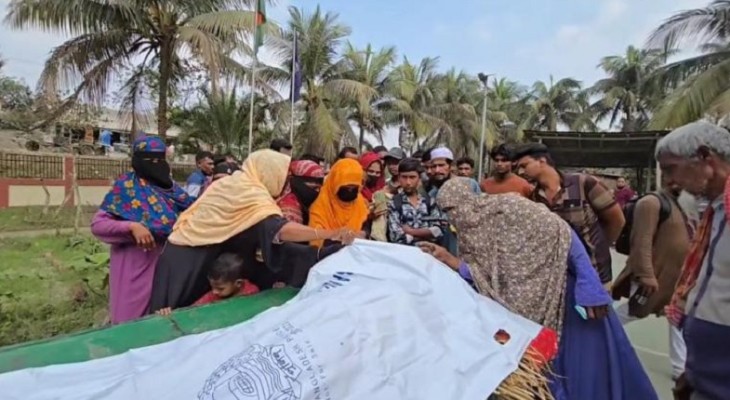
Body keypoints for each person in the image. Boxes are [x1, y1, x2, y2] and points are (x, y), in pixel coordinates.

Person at [422, 177, 658, 400]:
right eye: (447, 212)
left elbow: (562, 233)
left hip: (563, 298)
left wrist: (589, 283)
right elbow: (487, 274)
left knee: (582, 369)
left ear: (469, 199)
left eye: (454, 208)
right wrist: (449, 259)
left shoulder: (510, 207)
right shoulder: (473, 232)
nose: (454, 216)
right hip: (524, 312)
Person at [148, 150, 355, 312]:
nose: (284, 183)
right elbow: (280, 230)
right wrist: (328, 233)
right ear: (270, 172)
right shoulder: (250, 193)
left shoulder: (234, 182)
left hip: (182, 255)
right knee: (171, 323)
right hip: (190, 264)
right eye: (282, 176)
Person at [654, 121, 730, 400]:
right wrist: (694, 370)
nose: (669, 181)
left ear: (705, 157)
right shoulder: (715, 211)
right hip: (706, 373)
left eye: (672, 168)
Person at [91, 136, 194, 324]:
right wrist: (131, 226)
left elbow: (193, 212)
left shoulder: (172, 190)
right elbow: (98, 225)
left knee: (163, 323)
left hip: (167, 268)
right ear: (137, 161)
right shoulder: (126, 188)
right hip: (134, 269)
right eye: (149, 160)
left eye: (159, 159)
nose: (155, 164)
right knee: (130, 324)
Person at [612, 176, 692, 380]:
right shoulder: (651, 203)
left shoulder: (681, 205)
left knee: (677, 318)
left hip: (674, 279)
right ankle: (596, 329)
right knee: (634, 311)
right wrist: (646, 274)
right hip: (652, 277)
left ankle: (680, 368)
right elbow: (641, 241)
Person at [513, 143, 625, 287]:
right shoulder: (535, 198)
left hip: (595, 270)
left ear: (542, 161)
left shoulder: (583, 183)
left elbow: (617, 220)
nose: (520, 172)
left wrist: (600, 246)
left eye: (524, 166)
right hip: (561, 277)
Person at [156, 253, 260, 316]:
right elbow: (190, 311)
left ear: (238, 283)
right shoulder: (212, 297)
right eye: (212, 287)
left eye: (220, 288)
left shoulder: (252, 293)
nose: (214, 291)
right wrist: (170, 314)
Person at [308, 158, 369, 247]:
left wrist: (363, 234)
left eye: (354, 187)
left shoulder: (360, 202)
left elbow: (366, 225)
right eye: (346, 187)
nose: (350, 190)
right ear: (335, 183)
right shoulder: (320, 206)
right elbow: (315, 239)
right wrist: (339, 238)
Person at [387, 158, 446, 246]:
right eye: (404, 177)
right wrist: (426, 234)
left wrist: (411, 231)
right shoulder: (394, 203)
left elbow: (439, 231)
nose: (408, 182)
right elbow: (396, 237)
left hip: (429, 252)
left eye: (412, 177)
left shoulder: (429, 201)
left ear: (419, 178)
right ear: (399, 177)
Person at [276, 160, 325, 225]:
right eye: (314, 188)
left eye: (318, 188)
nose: (317, 192)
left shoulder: (301, 200)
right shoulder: (290, 205)